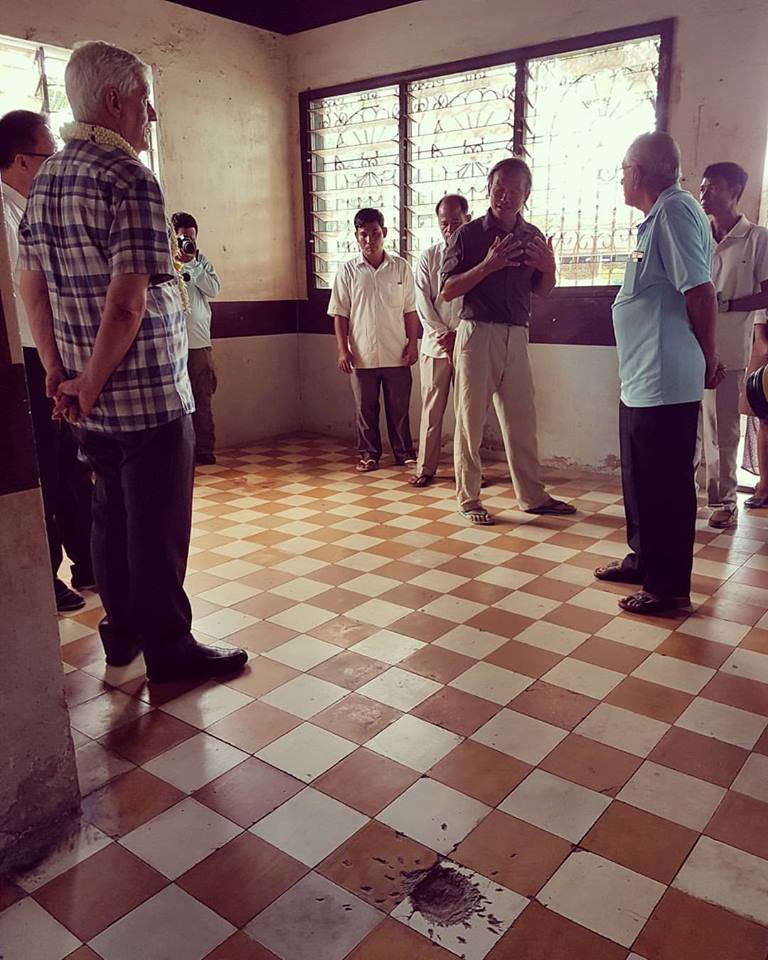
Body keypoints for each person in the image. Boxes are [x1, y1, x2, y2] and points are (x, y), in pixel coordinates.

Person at [18, 41, 246, 682]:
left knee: (109, 518)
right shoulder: (130, 179)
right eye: (146, 104)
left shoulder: (48, 181)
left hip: (89, 401)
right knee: (157, 529)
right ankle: (170, 650)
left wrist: (60, 374)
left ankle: (121, 641)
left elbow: (31, 288)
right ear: (115, 101)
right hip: (145, 394)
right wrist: (89, 378)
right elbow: (127, 302)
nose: (149, 119)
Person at [595, 132, 720, 616]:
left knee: (665, 485)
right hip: (643, 380)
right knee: (640, 479)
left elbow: (700, 291)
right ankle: (644, 558)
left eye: (624, 169)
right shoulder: (654, 220)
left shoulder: (673, 210)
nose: (622, 178)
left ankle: (669, 587)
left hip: (666, 380)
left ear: (639, 172)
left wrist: (709, 356)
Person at [441, 156, 576, 524]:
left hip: (517, 334)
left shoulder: (531, 236)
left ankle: (531, 496)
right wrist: (487, 266)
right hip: (476, 334)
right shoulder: (467, 236)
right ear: (489, 189)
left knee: (522, 421)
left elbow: (543, 290)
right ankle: (469, 498)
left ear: (526, 194)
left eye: (514, 190)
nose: (505, 196)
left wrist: (550, 268)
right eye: (499, 188)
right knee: (469, 421)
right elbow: (448, 290)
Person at [0, 109, 94, 612]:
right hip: (27, 360)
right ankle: (46, 575)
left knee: (69, 465)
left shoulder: (29, 210)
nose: (56, 163)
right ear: (21, 160)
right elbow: (23, 299)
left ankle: (87, 561)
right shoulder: (3, 212)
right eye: (48, 154)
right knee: (43, 473)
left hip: (48, 355)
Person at [698, 162, 768, 527]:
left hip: (728, 347)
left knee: (723, 426)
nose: (704, 193)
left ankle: (724, 501)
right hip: (689, 345)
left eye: (714, 187)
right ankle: (690, 495)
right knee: (691, 424)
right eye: (703, 186)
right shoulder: (697, 234)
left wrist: (725, 304)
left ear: (736, 191)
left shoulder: (757, 238)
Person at [330, 207, 419, 472]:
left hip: (397, 352)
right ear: (356, 237)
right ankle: (369, 454)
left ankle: (404, 453)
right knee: (365, 409)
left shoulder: (401, 268)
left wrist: (413, 343)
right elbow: (340, 314)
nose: (370, 240)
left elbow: (410, 310)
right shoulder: (348, 272)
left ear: (385, 234)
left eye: (375, 234)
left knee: (399, 408)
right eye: (364, 235)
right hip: (361, 354)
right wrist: (342, 350)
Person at [410, 194, 471, 488]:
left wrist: (459, 334)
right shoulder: (428, 257)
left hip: (469, 344)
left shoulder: (478, 256)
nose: (449, 228)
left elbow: (478, 302)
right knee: (432, 411)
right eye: (444, 223)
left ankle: (467, 473)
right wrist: (444, 335)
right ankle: (425, 468)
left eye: (456, 222)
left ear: (467, 220)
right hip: (435, 347)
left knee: (466, 413)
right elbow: (422, 302)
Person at [172, 211, 221, 465]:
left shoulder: (203, 263)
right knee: (176, 403)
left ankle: (204, 449)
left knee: (202, 399)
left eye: (190, 238)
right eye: (181, 239)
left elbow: (214, 289)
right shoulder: (166, 262)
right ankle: (181, 453)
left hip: (200, 344)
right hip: (172, 346)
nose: (186, 243)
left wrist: (193, 264)